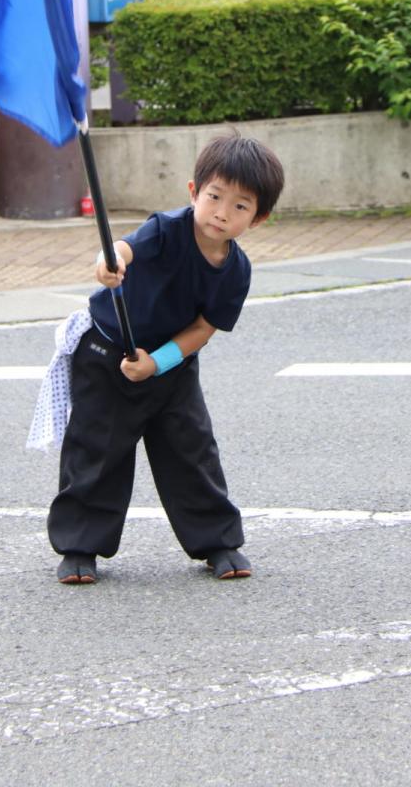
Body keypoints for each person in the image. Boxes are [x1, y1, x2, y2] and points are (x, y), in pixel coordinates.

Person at [43, 133, 285, 585]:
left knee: (191, 449)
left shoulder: (237, 271)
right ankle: (79, 547)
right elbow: (123, 248)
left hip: (170, 364)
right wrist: (107, 261)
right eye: (214, 197)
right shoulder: (166, 229)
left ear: (260, 217)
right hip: (107, 352)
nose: (221, 213)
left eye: (240, 206)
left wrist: (157, 363)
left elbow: (202, 330)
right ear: (194, 192)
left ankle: (218, 541)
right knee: (97, 449)